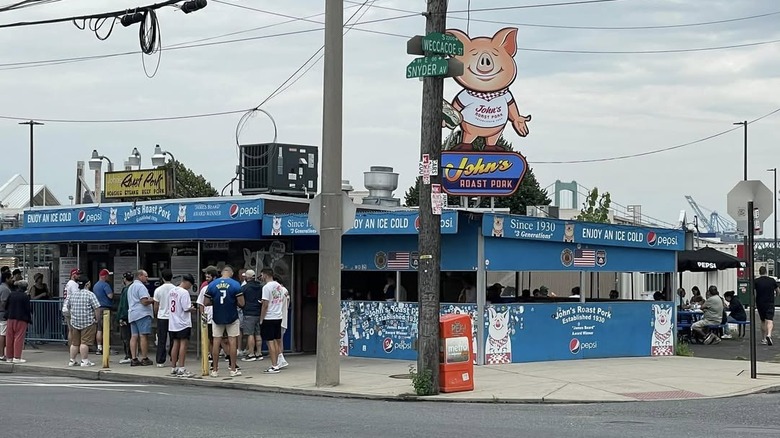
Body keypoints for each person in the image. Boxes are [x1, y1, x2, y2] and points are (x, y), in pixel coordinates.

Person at [204, 266, 245, 377]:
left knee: (216, 341)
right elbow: (242, 303)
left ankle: (215, 370)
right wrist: (233, 302)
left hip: (217, 316)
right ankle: (233, 369)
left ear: (222, 273)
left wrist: (215, 302)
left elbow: (206, 302)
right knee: (232, 341)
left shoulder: (212, 285)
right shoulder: (236, 284)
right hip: (232, 316)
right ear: (231, 273)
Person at [65, 275, 101, 367]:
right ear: (87, 284)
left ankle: (72, 360)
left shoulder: (73, 294)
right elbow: (97, 308)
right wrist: (97, 319)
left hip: (75, 322)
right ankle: (84, 361)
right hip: (87, 322)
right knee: (84, 343)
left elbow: (68, 307)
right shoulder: (90, 294)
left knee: (74, 343)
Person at [168, 274, 196, 378]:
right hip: (183, 322)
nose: (190, 287)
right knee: (183, 344)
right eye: (190, 285)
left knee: (175, 344)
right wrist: (192, 308)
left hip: (173, 322)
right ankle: (181, 367)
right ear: (187, 282)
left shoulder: (172, 291)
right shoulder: (184, 292)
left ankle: (173, 367)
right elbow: (186, 307)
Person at [259, 268, 286, 373]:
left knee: (270, 342)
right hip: (278, 315)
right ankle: (279, 361)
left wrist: (261, 318)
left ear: (265, 275)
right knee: (276, 340)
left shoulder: (266, 287)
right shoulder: (279, 286)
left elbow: (265, 305)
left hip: (269, 316)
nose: (261, 277)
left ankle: (274, 365)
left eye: (262, 275)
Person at [128, 270, 154, 366]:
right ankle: (144, 358)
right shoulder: (141, 287)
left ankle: (134, 358)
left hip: (132, 313)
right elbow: (144, 301)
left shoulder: (131, 287)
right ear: (140, 276)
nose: (147, 278)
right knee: (143, 336)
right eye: (146, 276)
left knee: (134, 336)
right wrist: (152, 300)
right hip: (142, 313)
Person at [152, 269, 176, 367]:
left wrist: (156, 314)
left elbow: (156, 305)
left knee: (162, 339)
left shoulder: (158, 290)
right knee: (174, 338)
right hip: (173, 316)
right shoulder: (175, 289)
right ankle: (173, 357)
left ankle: (160, 360)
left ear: (162, 278)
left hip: (162, 316)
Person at [240, 270, 264, 362]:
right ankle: (259, 353)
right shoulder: (261, 287)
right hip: (259, 312)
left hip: (249, 313)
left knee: (250, 334)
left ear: (247, 277)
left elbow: (241, 300)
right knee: (258, 333)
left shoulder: (244, 288)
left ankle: (251, 354)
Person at [5, 279, 32, 363]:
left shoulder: (11, 294)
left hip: (10, 318)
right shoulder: (25, 296)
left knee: (9, 338)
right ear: (25, 288)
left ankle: (9, 357)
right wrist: (29, 319)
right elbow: (28, 309)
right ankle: (17, 357)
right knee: (19, 337)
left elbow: (6, 306)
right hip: (21, 319)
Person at [92, 269, 113, 356]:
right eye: (108, 275)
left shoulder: (95, 285)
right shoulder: (105, 285)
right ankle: (107, 347)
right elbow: (110, 296)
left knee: (99, 329)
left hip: (97, 309)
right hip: (105, 309)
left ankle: (99, 347)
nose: (109, 277)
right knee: (107, 328)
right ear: (104, 276)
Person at [754, 266, 777, 346]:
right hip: (770, 302)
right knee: (770, 320)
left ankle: (764, 339)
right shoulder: (772, 280)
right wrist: (776, 295)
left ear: (759, 272)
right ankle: (769, 334)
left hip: (760, 303)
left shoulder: (756, 281)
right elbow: (778, 290)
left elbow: (754, 293)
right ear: (766, 272)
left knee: (763, 321)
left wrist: (755, 302)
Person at [115, 272, 134, 364]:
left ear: (125, 279)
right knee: (131, 336)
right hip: (132, 315)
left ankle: (128, 355)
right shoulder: (133, 288)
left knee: (126, 337)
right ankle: (132, 354)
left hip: (125, 316)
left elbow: (123, 305)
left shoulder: (126, 290)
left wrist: (121, 317)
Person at [0, 271, 14, 361]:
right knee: (3, 334)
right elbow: (3, 302)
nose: (12, 280)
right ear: (6, 279)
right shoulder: (5, 289)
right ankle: (1, 355)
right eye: (11, 278)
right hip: (3, 314)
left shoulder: (1, 287)